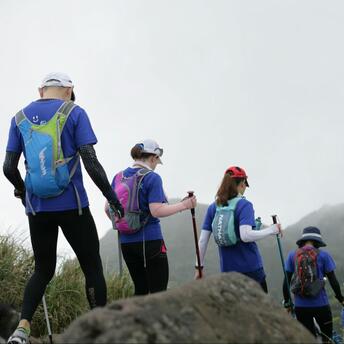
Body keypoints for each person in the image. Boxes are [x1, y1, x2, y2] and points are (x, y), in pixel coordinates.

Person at [3, 72, 123, 344]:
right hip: (74, 206)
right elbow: (90, 162)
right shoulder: (75, 112)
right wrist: (111, 196)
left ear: (41, 90)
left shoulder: (18, 118)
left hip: (37, 208)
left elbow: (8, 168)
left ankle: (21, 330)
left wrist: (23, 192)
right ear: (69, 90)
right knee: (91, 267)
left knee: (42, 270)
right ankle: (100, 331)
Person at [105, 139, 197, 296]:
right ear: (153, 157)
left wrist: (125, 224)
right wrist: (185, 206)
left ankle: (136, 321)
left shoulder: (118, 177)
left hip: (126, 243)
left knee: (140, 290)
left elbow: (108, 208)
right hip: (150, 240)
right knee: (158, 293)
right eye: (156, 161)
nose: (156, 165)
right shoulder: (152, 177)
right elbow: (156, 210)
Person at [194, 166, 282, 293]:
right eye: (245, 185)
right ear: (241, 184)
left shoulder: (214, 207)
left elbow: (202, 241)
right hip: (252, 270)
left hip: (228, 272)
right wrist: (272, 230)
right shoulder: (244, 205)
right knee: (259, 310)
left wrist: (199, 268)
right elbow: (245, 235)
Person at [283, 226, 344, 343]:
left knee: (308, 340)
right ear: (317, 241)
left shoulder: (292, 255)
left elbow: (286, 281)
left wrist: (287, 303)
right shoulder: (324, 255)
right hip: (321, 305)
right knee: (327, 339)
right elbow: (333, 280)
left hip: (301, 307)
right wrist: (341, 299)